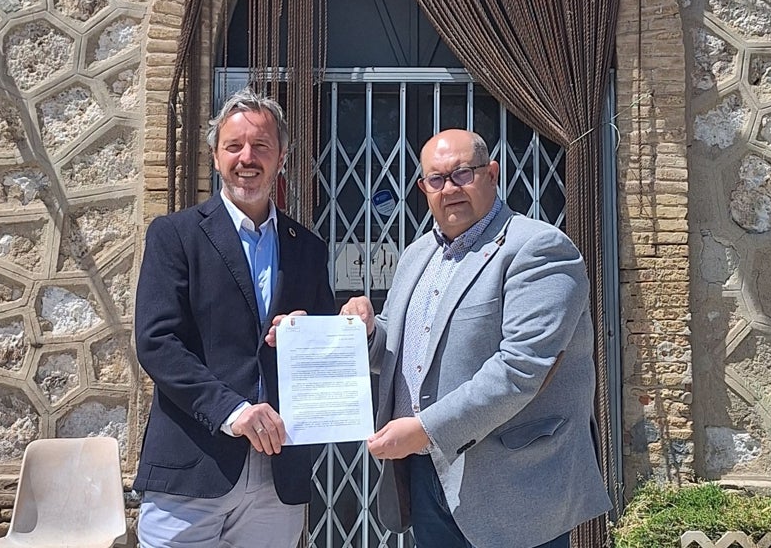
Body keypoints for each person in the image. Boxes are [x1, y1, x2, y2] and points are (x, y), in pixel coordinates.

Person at [340, 128, 610, 548]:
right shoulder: (416, 256)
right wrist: (368, 331)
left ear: (492, 173)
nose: (449, 189)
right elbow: (396, 352)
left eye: (462, 174)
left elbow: (520, 369)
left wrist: (425, 428)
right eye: (436, 179)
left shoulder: (538, 248)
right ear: (423, 189)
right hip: (428, 474)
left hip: (514, 484)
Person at [133, 88, 335, 548]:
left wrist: (335, 325)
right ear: (214, 155)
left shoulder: (307, 247)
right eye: (234, 146)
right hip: (193, 465)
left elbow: (325, 348)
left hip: (277, 475)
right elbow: (156, 342)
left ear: (282, 156)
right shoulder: (175, 236)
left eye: (261, 146)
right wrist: (234, 411)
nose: (248, 158)